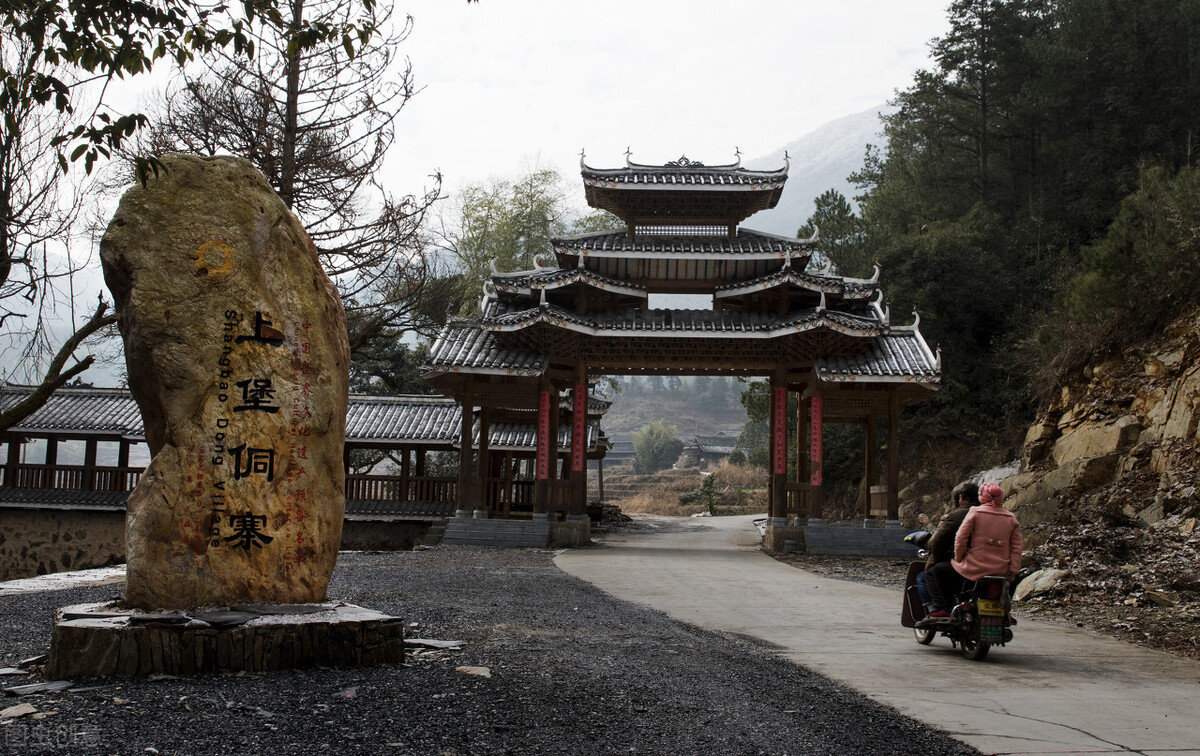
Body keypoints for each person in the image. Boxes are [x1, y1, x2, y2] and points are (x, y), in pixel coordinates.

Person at [925, 482, 1021, 619]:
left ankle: (946, 609)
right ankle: (1003, 609)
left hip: (975, 569)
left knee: (936, 571)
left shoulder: (975, 513)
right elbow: (1017, 549)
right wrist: (1012, 571)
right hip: (1002, 571)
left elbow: (960, 539)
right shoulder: (1011, 518)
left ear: (982, 497)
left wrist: (958, 560)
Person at [916, 483, 978, 612]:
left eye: (960, 498)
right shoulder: (1001, 515)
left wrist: (936, 562)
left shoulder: (957, 516)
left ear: (964, 499)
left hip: (966, 565)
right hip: (997, 567)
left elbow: (938, 544)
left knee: (929, 575)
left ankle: (941, 609)